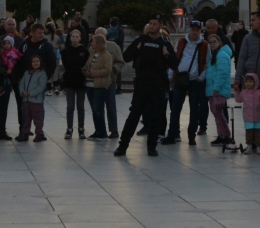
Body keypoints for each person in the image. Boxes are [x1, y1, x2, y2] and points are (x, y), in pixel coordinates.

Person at [114, 20, 174, 158]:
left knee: (156, 118)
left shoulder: (164, 43)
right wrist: (137, 48)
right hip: (142, 85)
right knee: (133, 116)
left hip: (158, 86)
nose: (151, 26)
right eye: (150, 24)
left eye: (155, 24)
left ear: (160, 27)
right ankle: (123, 146)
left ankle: (152, 147)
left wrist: (166, 54)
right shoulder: (140, 40)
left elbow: (174, 64)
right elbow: (126, 57)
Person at [164, 22, 208, 146]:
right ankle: (172, 134)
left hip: (195, 80)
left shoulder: (204, 45)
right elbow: (175, 58)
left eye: (197, 30)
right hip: (180, 79)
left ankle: (191, 136)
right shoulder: (182, 42)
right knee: (175, 108)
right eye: (192, 29)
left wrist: (201, 77)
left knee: (194, 109)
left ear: (200, 31)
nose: (194, 32)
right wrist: (171, 74)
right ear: (189, 30)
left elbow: (207, 62)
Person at [236, 12, 260, 148]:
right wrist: (238, 78)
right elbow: (242, 58)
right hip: (250, 80)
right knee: (250, 110)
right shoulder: (248, 38)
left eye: (253, 20)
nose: (251, 23)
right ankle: (251, 141)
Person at [85, 30, 116, 140]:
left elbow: (107, 70)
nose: (91, 43)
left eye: (93, 41)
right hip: (89, 85)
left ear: (98, 43)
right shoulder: (92, 54)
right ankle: (97, 130)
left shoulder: (106, 55)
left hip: (99, 85)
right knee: (94, 110)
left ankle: (102, 132)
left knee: (97, 109)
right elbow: (88, 65)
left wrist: (92, 73)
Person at [206, 31, 235, 147]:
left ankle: (227, 135)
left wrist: (216, 88)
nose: (212, 44)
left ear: (219, 43)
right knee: (216, 113)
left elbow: (222, 73)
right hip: (213, 89)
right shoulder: (214, 55)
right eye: (210, 42)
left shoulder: (221, 55)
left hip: (218, 90)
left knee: (219, 113)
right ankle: (221, 135)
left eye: (214, 42)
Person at [59, 27, 89, 139]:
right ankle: (69, 128)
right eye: (73, 37)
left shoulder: (84, 51)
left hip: (81, 81)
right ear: (70, 38)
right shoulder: (66, 51)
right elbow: (66, 65)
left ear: (80, 38)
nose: (75, 39)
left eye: (77, 37)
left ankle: (81, 128)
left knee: (80, 106)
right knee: (70, 106)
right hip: (70, 81)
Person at [17, 53, 49, 142]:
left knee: (37, 118)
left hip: (36, 100)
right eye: (33, 62)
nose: (35, 63)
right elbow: (21, 83)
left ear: (40, 62)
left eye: (37, 61)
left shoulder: (42, 74)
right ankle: (25, 133)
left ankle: (39, 133)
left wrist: (30, 93)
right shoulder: (27, 73)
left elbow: (41, 87)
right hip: (26, 100)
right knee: (26, 118)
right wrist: (23, 92)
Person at [234, 74, 260, 154]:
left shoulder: (259, 93)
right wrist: (236, 91)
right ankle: (249, 146)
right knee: (248, 133)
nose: (248, 83)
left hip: (258, 117)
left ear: (255, 82)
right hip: (248, 117)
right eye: (246, 81)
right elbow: (238, 99)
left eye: (250, 81)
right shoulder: (243, 92)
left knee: (258, 133)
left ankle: (258, 147)